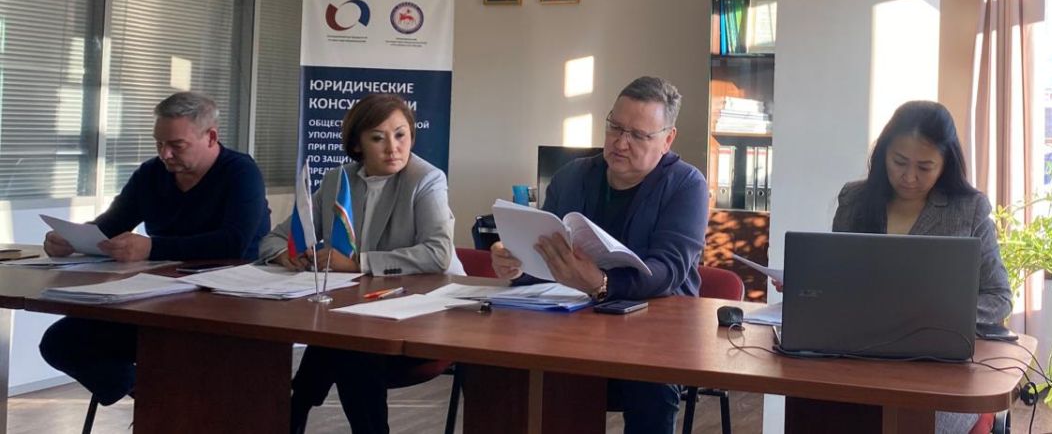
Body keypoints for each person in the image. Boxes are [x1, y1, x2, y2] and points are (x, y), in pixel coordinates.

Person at [491, 76, 709, 434]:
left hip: (654, 333)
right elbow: (547, 257)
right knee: (498, 364)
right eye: (615, 128)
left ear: (667, 139)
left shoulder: (686, 185)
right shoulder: (572, 176)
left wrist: (602, 283)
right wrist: (516, 263)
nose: (621, 143)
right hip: (572, 327)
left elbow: (668, 270)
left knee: (649, 388)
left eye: (638, 135)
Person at [778, 100, 1012, 434]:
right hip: (857, 357)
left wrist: (945, 315)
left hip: (937, 369)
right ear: (883, 153)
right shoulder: (855, 201)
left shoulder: (968, 209)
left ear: (946, 164)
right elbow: (838, 279)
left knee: (910, 421)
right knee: (813, 408)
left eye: (925, 167)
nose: (909, 177)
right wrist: (809, 288)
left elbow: (999, 296)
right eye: (899, 161)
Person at [39, 91, 271, 407]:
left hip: (226, 304)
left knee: (182, 355)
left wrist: (152, 247)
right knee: (61, 342)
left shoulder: (240, 172)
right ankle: (154, 396)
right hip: (156, 299)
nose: (165, 154)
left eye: (177, 145)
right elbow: (111, 225)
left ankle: (166, 402)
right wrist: (73, 239)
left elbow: (233, 242)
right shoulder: (151, 173)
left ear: (211, 137)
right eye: (159, 144)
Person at [260, 94, 456, 434]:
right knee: (345, 341)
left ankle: (297, 409)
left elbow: (438, 253)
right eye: (378, 138)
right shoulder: (337, 180)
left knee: (348, 347)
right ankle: (297, 411)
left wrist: (358, 263)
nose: (393, 148)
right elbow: (274, 239)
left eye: (401, 135)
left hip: (424, 314)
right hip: (360, 314)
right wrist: (286, 254)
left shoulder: (426, 179)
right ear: (357, 144)